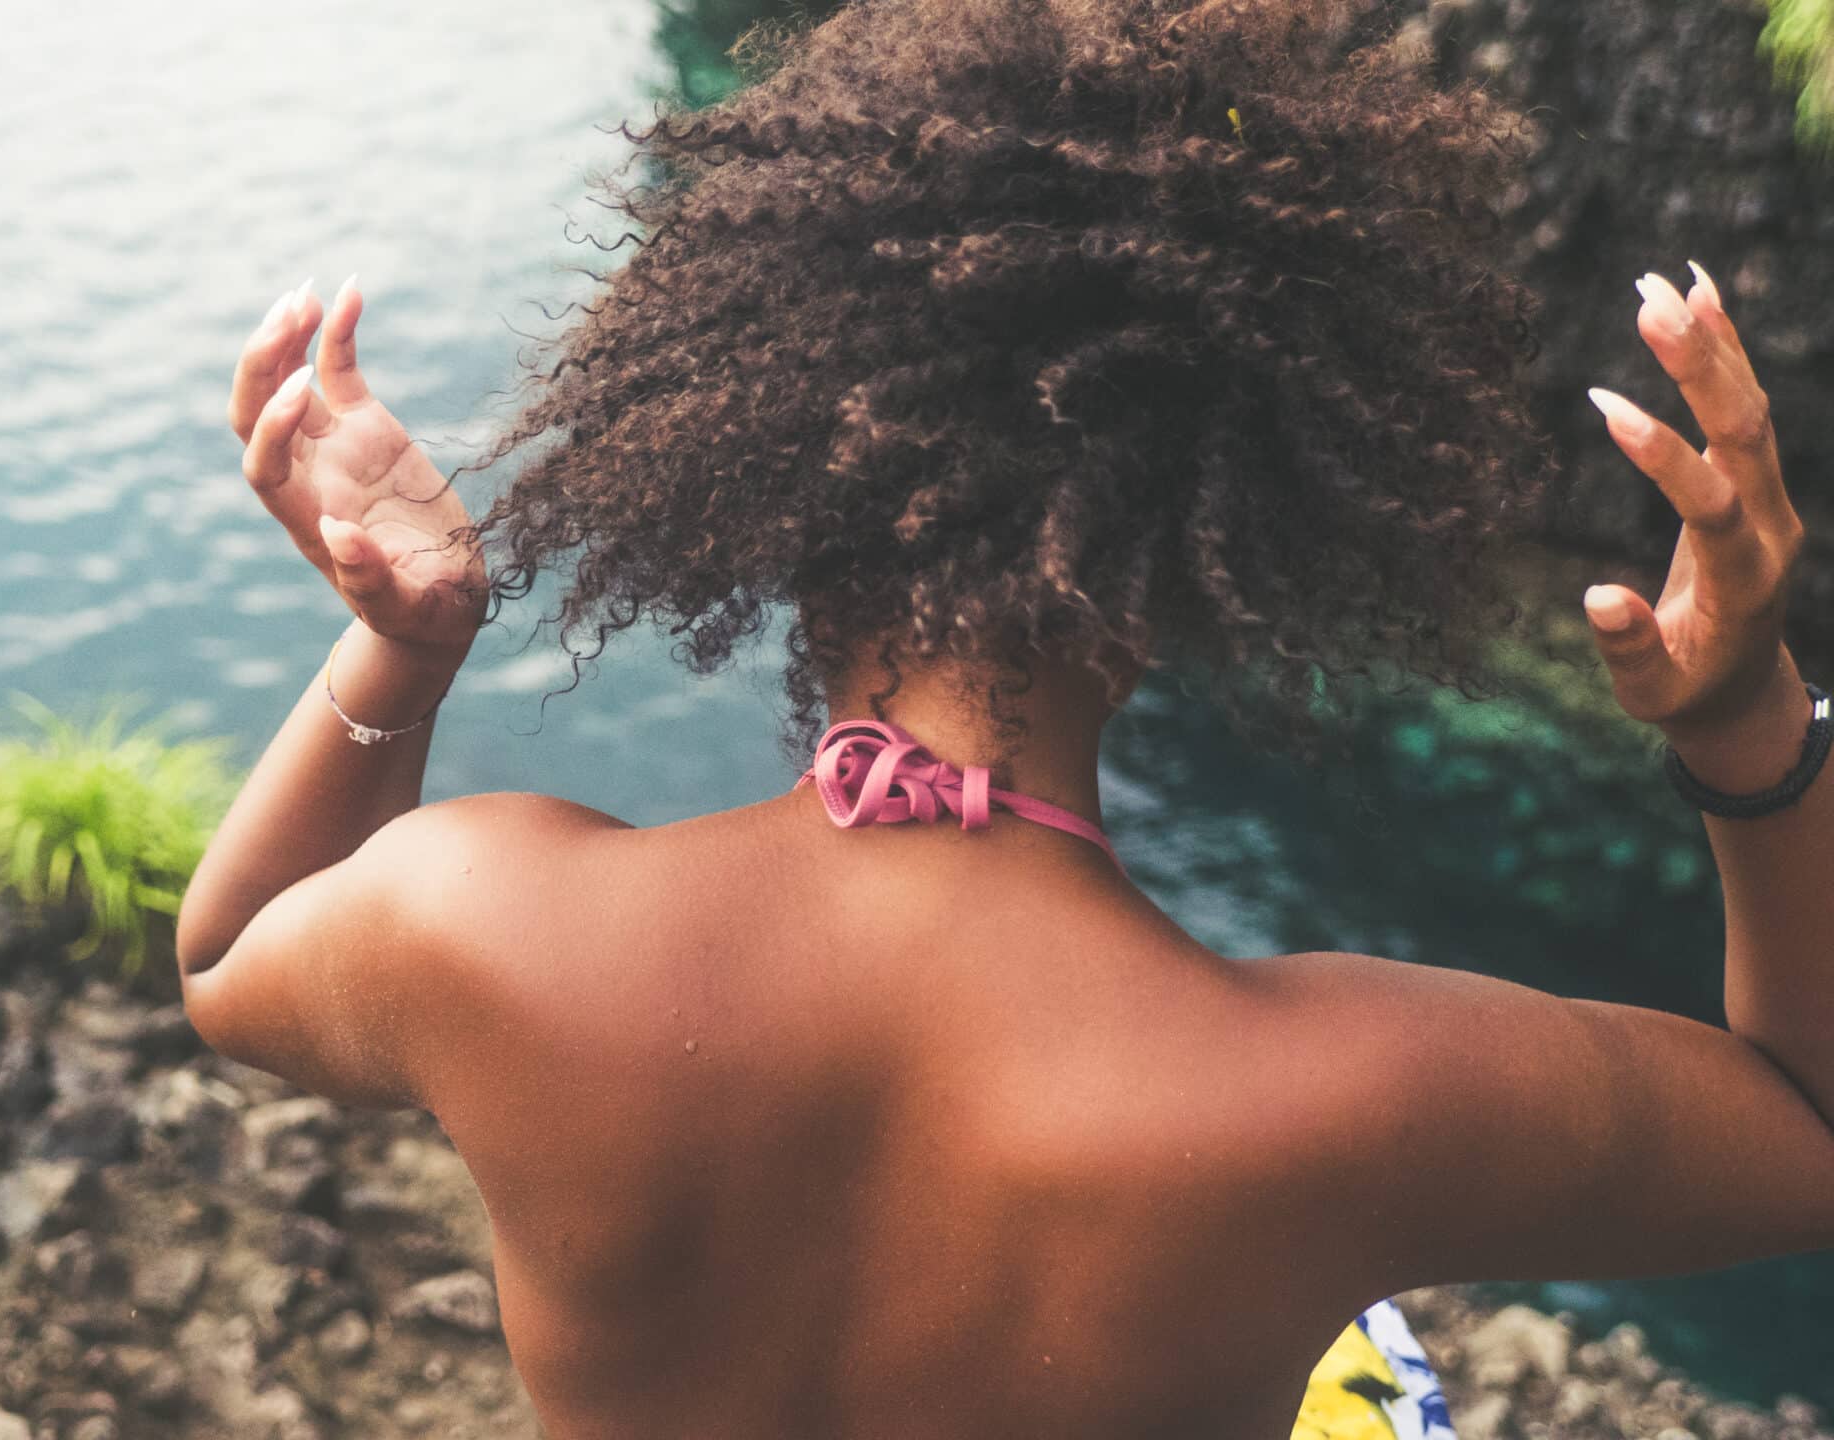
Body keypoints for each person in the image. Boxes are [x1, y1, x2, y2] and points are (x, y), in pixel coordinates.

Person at [175, 1, 1831, 1435]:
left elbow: (226, 962)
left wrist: (410, 647)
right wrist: (1747, 725)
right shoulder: (1342, 1099)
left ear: (761, 490)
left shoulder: (489, 929)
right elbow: (1808, 1132)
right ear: (1189, 573)